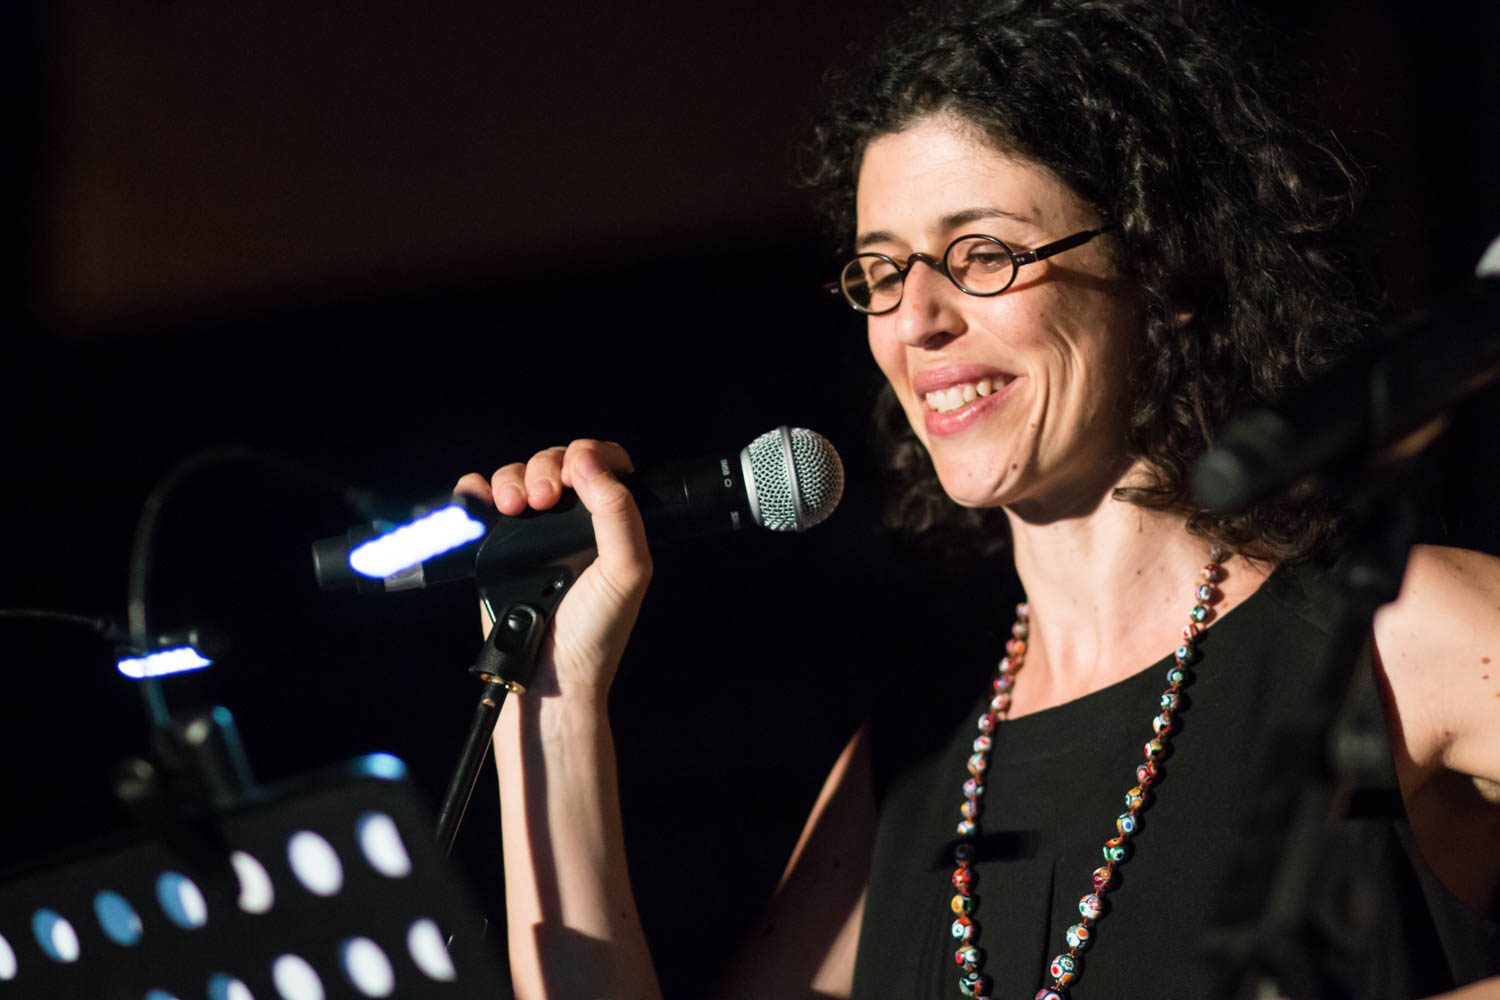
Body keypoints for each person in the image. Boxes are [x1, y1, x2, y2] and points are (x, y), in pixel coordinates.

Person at [455, 2, 1500, 996]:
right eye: (881, 271)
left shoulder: (1394, 632)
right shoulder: (918, 752)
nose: (916, 319)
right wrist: (554, 701)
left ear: (1165, 269)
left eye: (982, 254)